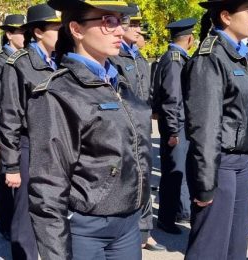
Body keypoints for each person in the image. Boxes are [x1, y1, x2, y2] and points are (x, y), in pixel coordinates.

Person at [29, 0, 149, 258]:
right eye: (108, 21)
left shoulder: (118, 82)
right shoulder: (59, 93)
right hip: (86, 229)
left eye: (120, 20)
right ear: (76, 29)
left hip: (127, 223)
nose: (120, 30)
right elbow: (47, 185)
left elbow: (139, 154)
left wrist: (143, 218)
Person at [183, 0, 248, 259]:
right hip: (220, 164)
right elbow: (204, 127)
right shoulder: (211, 57)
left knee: (235, 245)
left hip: (241, 161)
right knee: (210, 245)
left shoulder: (240, 54)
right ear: (226, 16)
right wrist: (206, 183)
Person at [0, 4, 60, 259]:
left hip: (58, 147)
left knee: (54, 209)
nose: (63, 33)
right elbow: (9, 116)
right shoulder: (19, 65)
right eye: (57, 29)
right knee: (25, 215)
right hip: (29, 147)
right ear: (38, 32)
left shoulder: (62, 60)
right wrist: (11, 165)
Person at [107, 3, 163, 252]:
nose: (138, 30)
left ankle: (144, 230)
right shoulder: (115, 55)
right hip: (125, 127)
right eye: (134, 24)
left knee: (144, 175)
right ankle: (131, 230)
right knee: (126, 176)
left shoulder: (137, 55)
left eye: (139, 25)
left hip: (142, 126)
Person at [150, 17, 197, 235]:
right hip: (176, 125)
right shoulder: (175, 59)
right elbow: (172, 98)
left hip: (177, 123)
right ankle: (166, 220)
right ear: (189, 38)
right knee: (173, 174)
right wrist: (172, 130)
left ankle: (178, 212)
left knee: (178, 173)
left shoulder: (172, 57)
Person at [0, 13, 26, 240]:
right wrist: (2, 138)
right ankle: (6, 224)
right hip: (8, 132)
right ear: (9, 34)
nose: (25, 36)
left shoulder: (26, 60)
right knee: (7, 176)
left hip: (24, 132)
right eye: (20, 32)